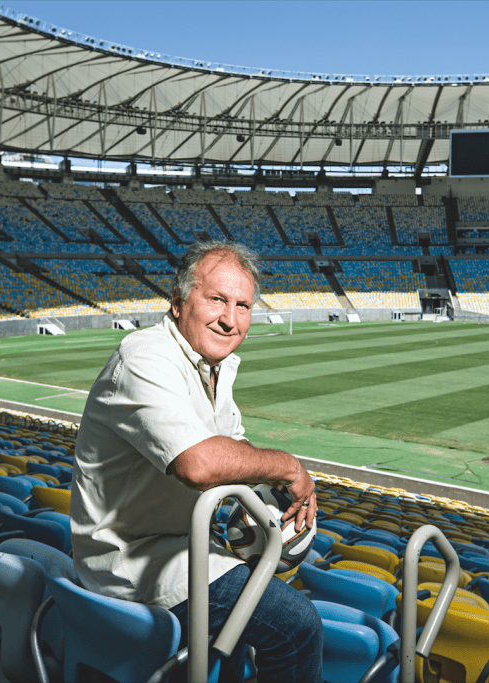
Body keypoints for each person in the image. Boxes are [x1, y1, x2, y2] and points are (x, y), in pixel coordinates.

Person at [71, 240, 323, 682]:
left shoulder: (210, 366)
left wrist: (272, 498)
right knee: (297, 626)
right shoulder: (145, 356)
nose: (230, 319)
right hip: (131, 562)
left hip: (176, 546)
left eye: (243, 306)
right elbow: (199, 465)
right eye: (217, 300)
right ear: (177, 303)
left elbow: (237, 449)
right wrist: (290, 468)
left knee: (250, 622)